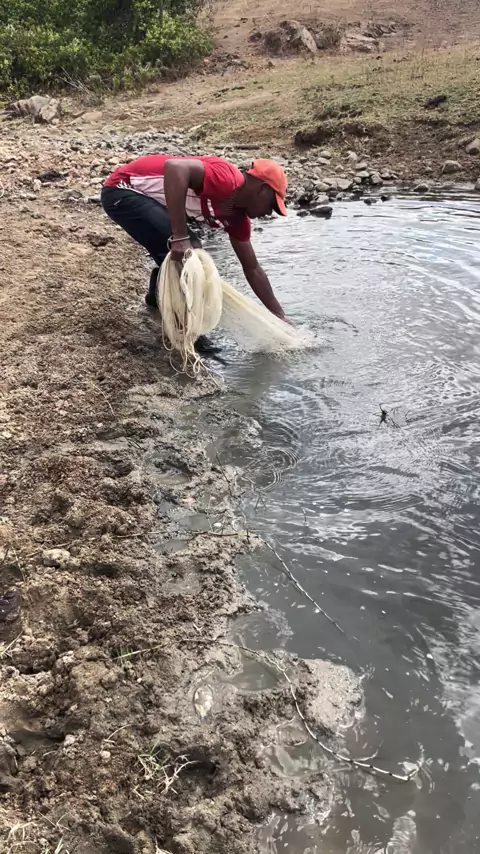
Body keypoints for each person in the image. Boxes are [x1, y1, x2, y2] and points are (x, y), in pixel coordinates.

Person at [101, 155, 289, 332]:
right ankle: (184, 329)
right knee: (191, 254)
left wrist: (279, 316)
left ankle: (157, 296)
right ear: (262, 189)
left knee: (189, 253)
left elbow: (252, 268)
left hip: (144, 200)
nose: (269, 212)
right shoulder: (228, 180)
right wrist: (180, 236)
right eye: (272, 205)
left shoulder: (237, 219)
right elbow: (175, 167)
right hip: (123, 190)